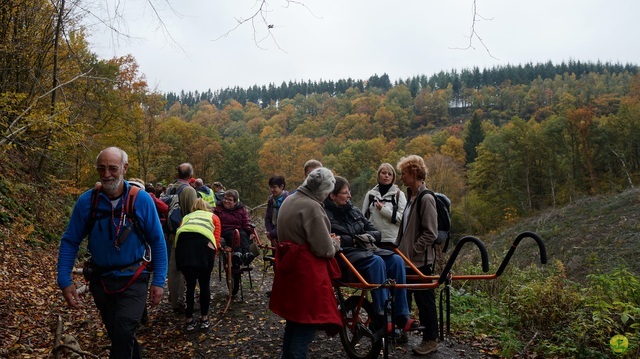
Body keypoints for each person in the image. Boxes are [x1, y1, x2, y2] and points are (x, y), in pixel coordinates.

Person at [57, 147, 168, 359]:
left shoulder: (141, 200)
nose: (107, 174)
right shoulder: (87, 202)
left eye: (112, 168)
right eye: (101, 168)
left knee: (124, 330)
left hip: (134, 278)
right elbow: (70, 240)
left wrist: (159, 281)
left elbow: (157, 241)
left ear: (124, 168)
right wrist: (64, 278)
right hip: (102, 281)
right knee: (119, 335)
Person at [324, 176, 420, 338]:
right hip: (346, 258)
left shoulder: (353, 210)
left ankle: (401, 315)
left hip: (365, 251)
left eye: (349, 192)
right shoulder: (325, 215)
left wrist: (355, 239)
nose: (349, 196)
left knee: (396, 260)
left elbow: (376, 233)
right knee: (376, 262)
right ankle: (382, 315)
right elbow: (332, 240)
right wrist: (357, 239)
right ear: (332, 195)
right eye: (345, 193)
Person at [269, 167, 342, 359]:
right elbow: (323, 249)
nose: (326, 197)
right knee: (304, 330)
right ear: (321, 191)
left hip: (290, 271)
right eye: (326, 193)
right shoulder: (312, 207)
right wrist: (335, 243)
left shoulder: (289, 200)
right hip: (307, 276)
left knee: (294, 325)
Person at [395, 155, 439, 355]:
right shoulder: (411, 197)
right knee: (405, 298)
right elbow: (405, 229)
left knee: (425, 301)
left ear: (414, 173)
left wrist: (411, 252)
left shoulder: (426, 197)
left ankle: (430, 340)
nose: (401, 177)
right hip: (406, 260)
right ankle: (402, 331)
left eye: (403, 173)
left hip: (419, 261)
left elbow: (431, 232)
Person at [174, 198, 221, 332]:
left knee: (190, 285)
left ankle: (189, 320)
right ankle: (204, 318)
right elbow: (216, 240)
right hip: (204, 248)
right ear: (207, 207)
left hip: (183, 249)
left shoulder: (187, 217)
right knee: (204, 284)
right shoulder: (213, 217)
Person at [165, 163, 198, 313]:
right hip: (185, 235)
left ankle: (174, 300)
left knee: (173, 269)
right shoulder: (189, 191)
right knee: (186, 269)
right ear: (190, 175)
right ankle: (182, 301)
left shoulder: (169, 188)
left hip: (171, 234)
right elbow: (194, 213)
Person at [214, 189, 256, 295]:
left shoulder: (241, 209)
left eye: (230, 200)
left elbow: (246, 222)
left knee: (243, 234)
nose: (226, 201)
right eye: (225, 199)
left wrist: (250, 231)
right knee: (234, 234)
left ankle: (246, 254)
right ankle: (237, 253)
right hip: (226, 231)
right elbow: (215, 221)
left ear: (235, 202)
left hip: (239, 230)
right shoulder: (218, 209)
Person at [362, 163, 407, 246]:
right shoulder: (370, 194)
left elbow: (403, 219)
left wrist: (384, 210)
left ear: (393, 178)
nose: (386, 176)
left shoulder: (399, 195)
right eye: (384, 173)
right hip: (372, 240)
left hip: (391, 240)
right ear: (378, 175)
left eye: (390, 174)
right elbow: (363, 218)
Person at [264, 175, 289, 245]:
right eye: (270, 187)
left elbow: (285, 220)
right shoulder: (271, 200)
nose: (272, 190)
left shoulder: (288, 200)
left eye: (274, 187)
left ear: (281, 187)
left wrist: (273, 234)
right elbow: (267, 218)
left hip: (284, 234)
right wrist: (270, 233)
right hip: (273, 235)